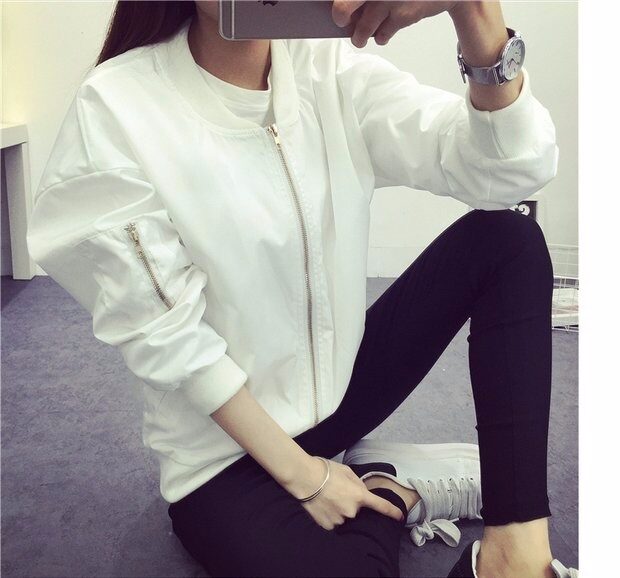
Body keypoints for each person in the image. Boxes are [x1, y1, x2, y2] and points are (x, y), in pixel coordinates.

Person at [26, 1, 578, 576]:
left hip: (340, 398)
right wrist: (307, 476)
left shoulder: (327, 69)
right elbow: (166, 337)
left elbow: (505, 170)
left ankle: (514, 554)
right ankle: (393, 487)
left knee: (509, 240)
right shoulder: (118, 105)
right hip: (224, 454)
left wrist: (474, 10)